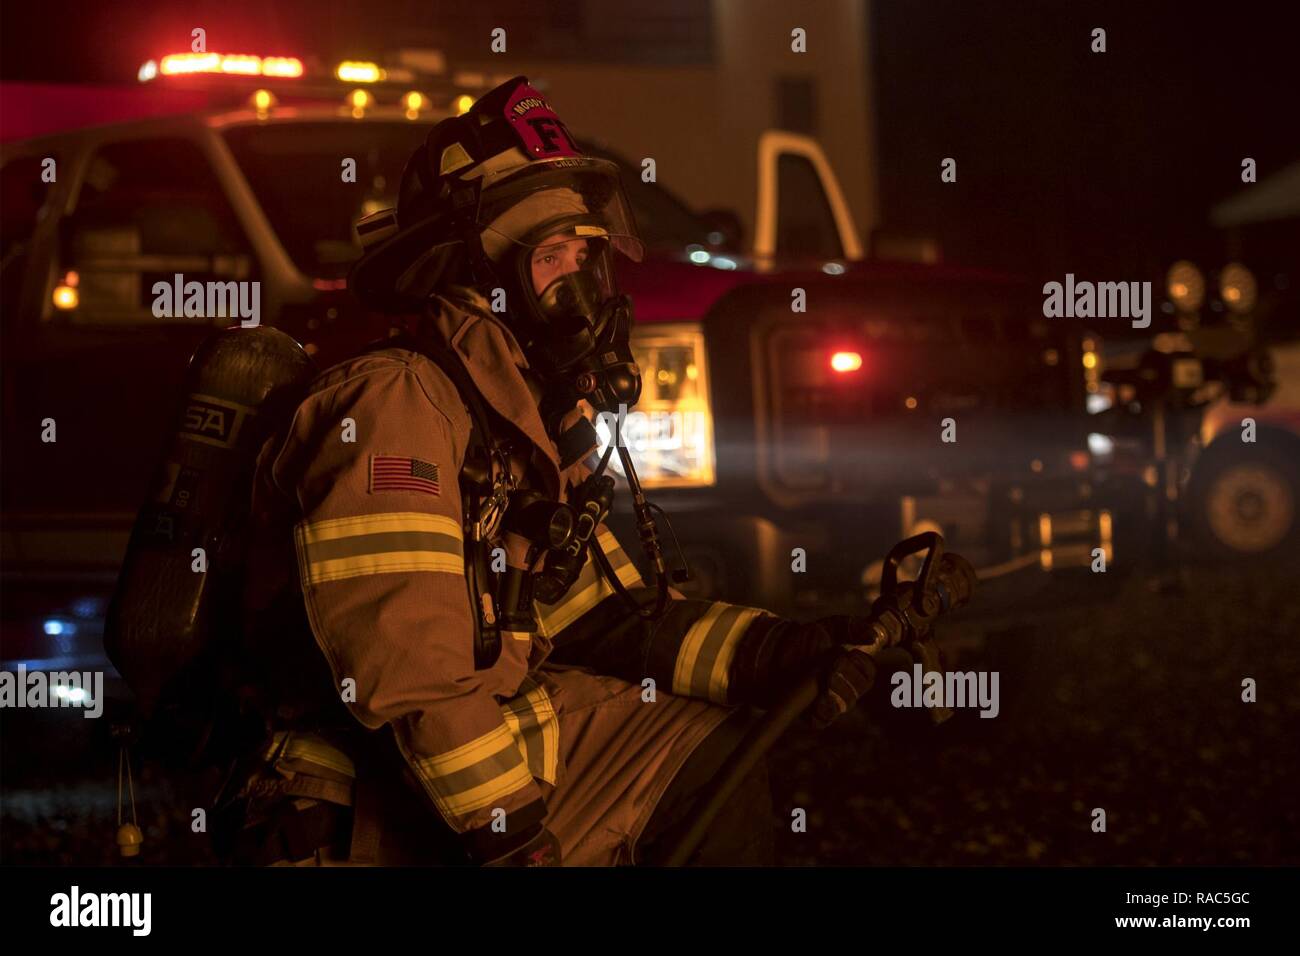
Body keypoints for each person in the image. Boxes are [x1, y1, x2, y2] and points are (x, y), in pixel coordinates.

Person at [223, 76, 933, 867]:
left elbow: (606, 618)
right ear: (477, 276)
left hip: (479, 739)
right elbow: (411, 683)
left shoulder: (516, 415)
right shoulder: (395, 405)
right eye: (549, 257)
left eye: (585, 255)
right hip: (363, 800)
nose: (579, 287)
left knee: (709, 758)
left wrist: (789, 651)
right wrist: (515, 837)